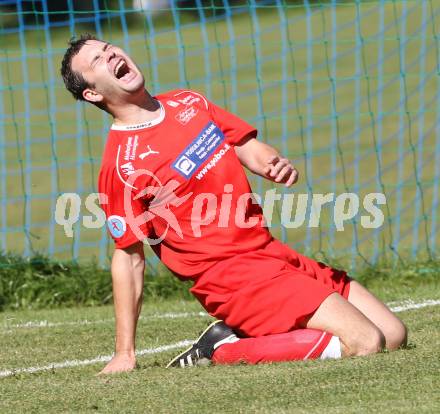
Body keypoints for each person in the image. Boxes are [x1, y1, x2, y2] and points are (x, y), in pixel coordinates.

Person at [61, 34, 407, 374]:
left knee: (392, 335)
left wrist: (271, 163)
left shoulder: (189, 103)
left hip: (268, 252)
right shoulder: (122, 165)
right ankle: (224, 350)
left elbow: (243, 145)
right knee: (365, 342)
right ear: (92, 93)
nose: (111, 56)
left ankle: (258, 334)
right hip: (231, 278)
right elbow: (128, 256)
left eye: (109, 49)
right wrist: (125, 352)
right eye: (97, 60)